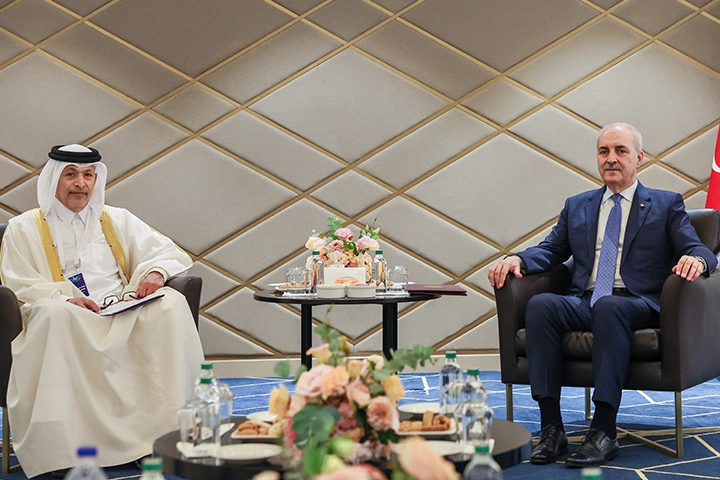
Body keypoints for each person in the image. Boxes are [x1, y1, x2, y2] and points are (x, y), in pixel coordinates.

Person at [487, 123, 717, 467]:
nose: (611, 158)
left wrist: (697, 260)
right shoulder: (578, 205)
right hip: (586, 299)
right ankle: (552, 428)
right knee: (541, 305)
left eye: (621, 151)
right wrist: (517, 259)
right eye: (604, 151)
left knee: (610, 306)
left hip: (639, 302)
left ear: (638, 158)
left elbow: (699, 248)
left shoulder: (666, 204)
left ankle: (603, 430)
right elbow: (551, 250)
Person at [0, 144, 205, 477]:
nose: (80, 183)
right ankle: (63, 450)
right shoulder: (24, 227)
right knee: (53, 316)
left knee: (170, 303)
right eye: (70, 174)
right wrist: (65, 299)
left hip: (119, 307)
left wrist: (155, 273)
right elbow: (18, 281)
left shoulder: (116, 219)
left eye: (88, 175)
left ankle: (159, 440)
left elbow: (164, 253)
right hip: (65, 312)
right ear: (53, 179)